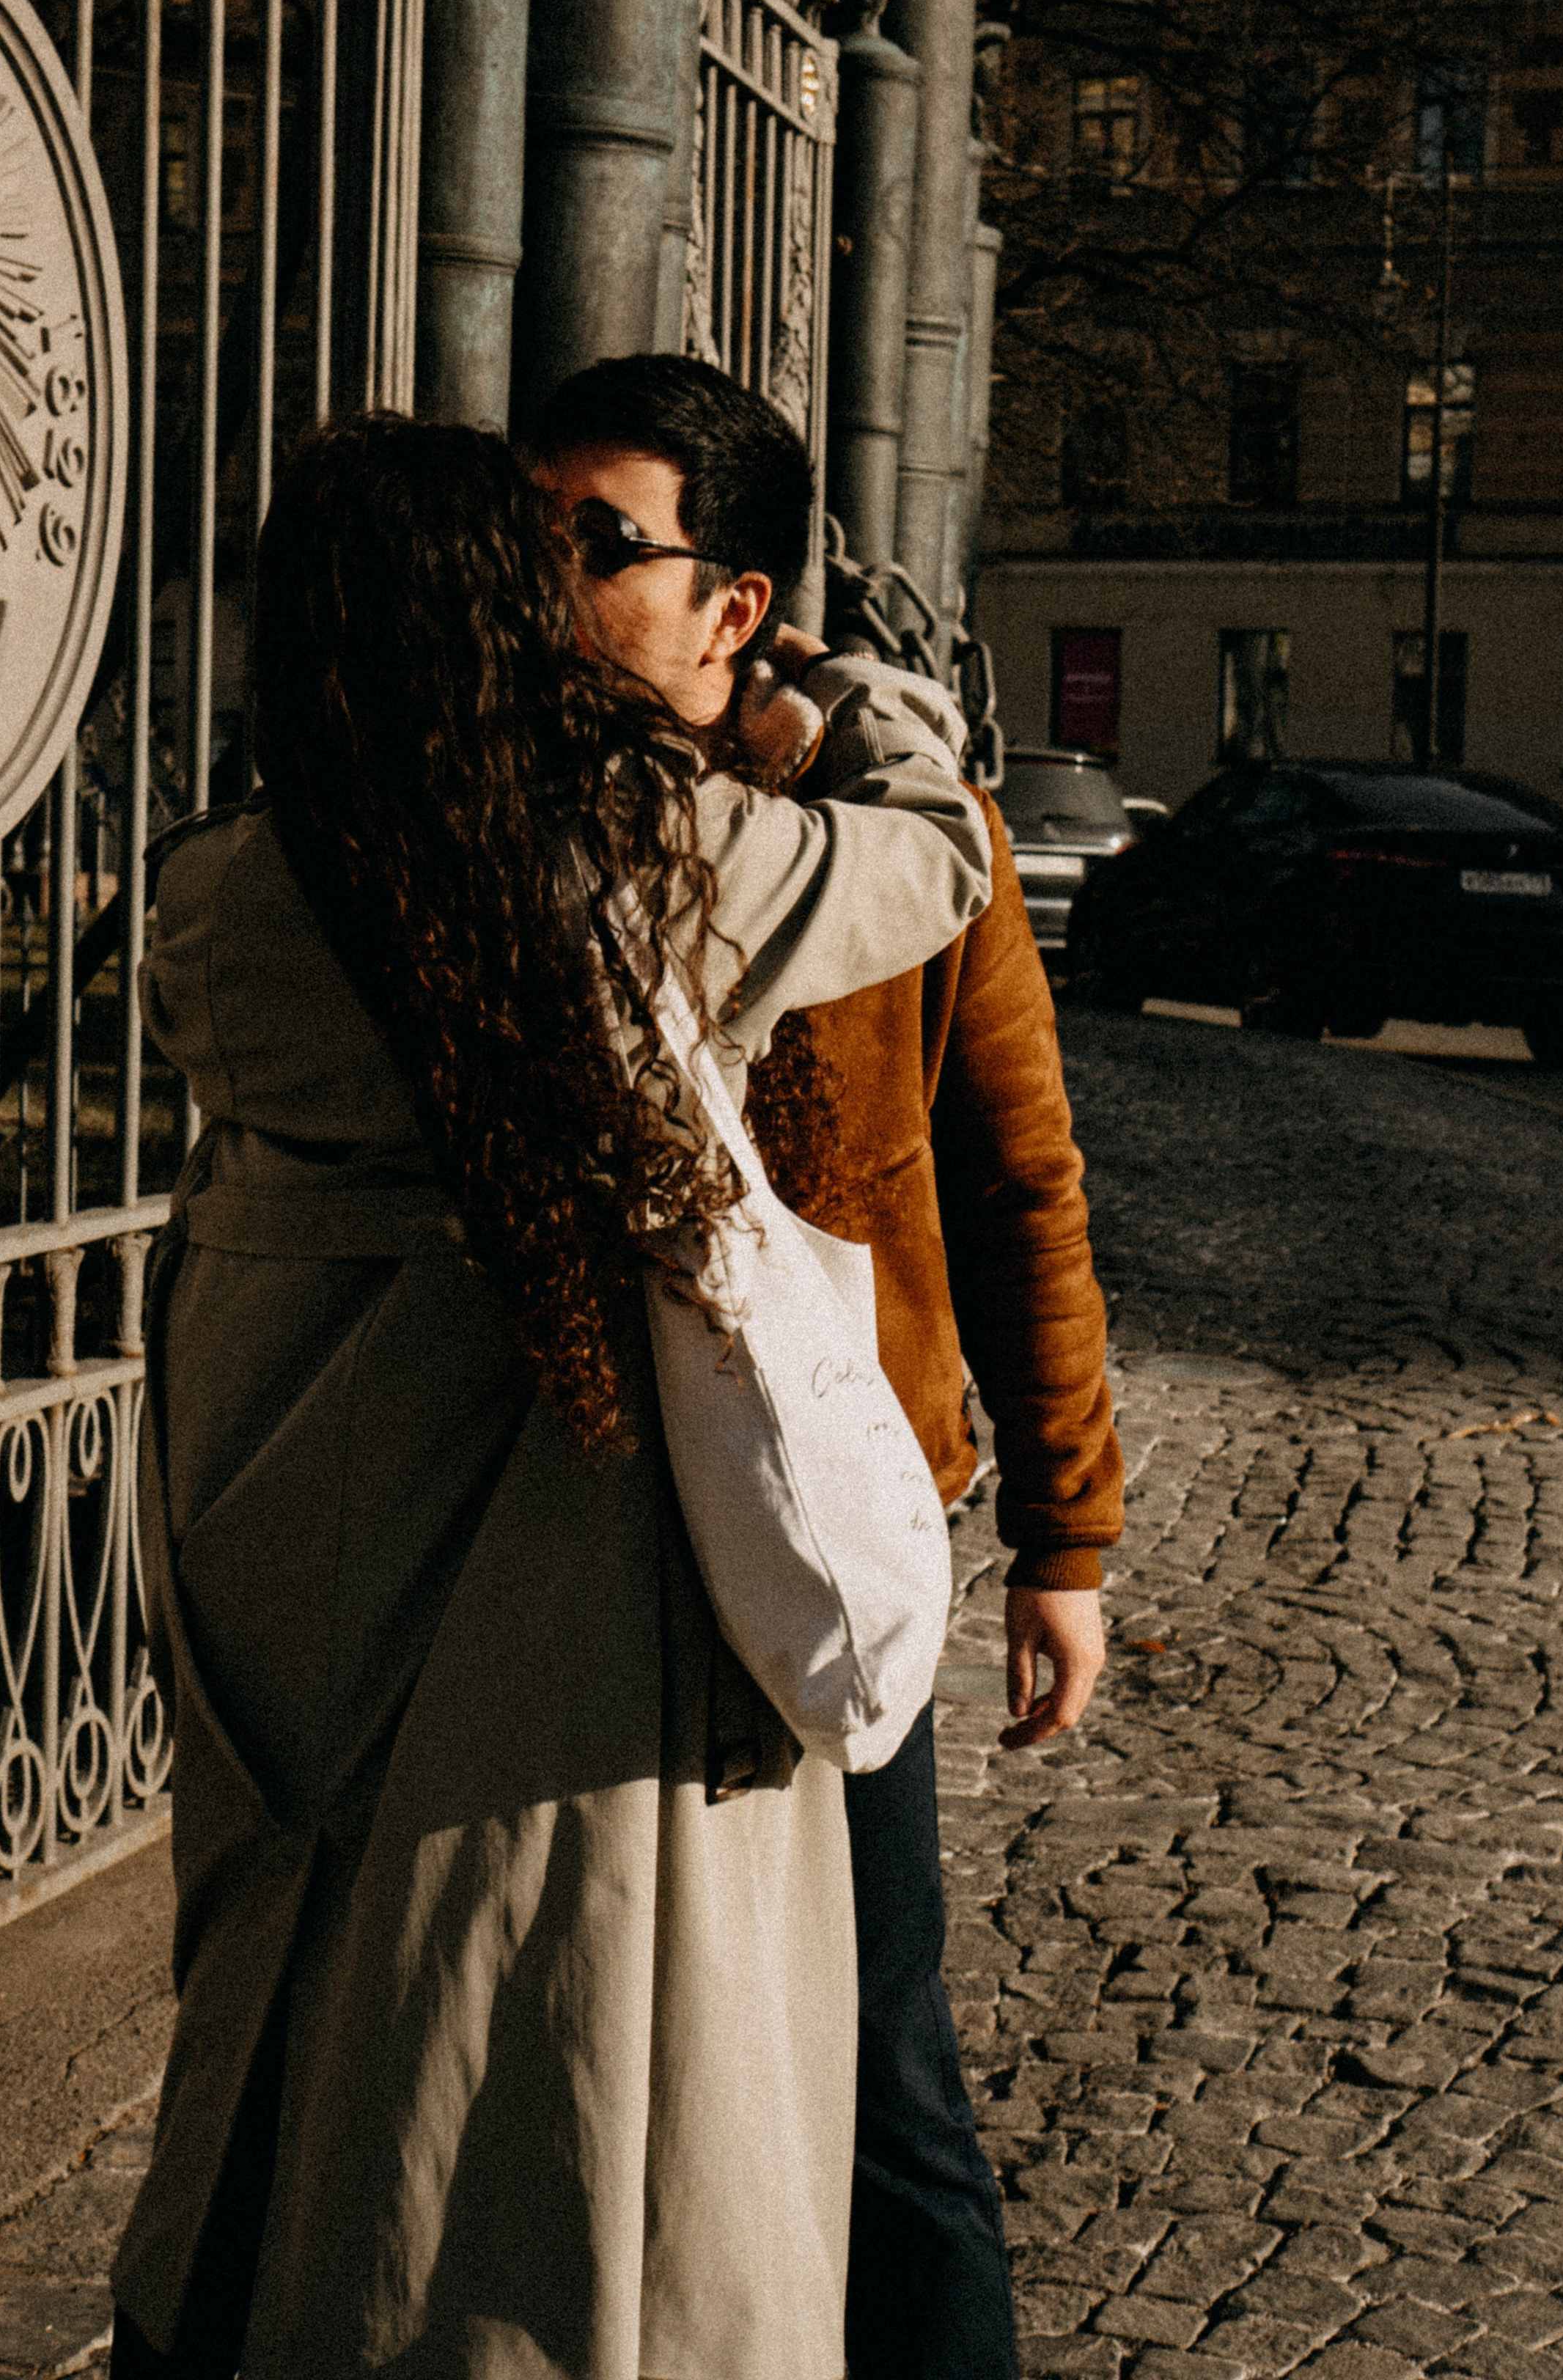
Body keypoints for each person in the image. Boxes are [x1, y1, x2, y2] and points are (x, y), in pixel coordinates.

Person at [109, 413, 999, 2380]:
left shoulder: (224, 899)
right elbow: (936, 857)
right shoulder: (648, 874)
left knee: (301, 2014)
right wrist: (842, 688)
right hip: (559, 1621)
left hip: (287, 1535)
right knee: (575, 2066)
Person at [529, 356, 1125, 2380]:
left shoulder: (901, 847)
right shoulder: (499, 816)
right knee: (592, 2057)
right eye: (527, 533)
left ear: (737, 605)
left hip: (811, 1521)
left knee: (877, 2065)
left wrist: (1066, 1541)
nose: (547, 580)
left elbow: (1023, 1182)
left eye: (598, 542)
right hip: (577, 1532)